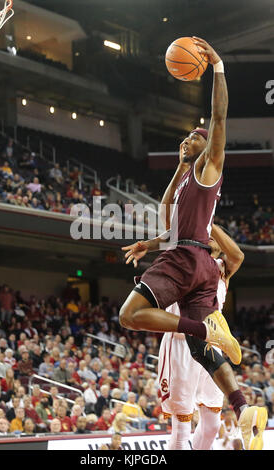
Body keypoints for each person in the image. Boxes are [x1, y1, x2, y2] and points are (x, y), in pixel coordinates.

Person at [119, 37, 267, 449]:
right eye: (185, 136)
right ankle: (243, 408)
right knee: (205, 351)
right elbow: (167, 211)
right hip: (196, 262)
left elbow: (218, 120)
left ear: (208, 148)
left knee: (129, 316)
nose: (189, 137)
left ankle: (203, 328)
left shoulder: (209, 168)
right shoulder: (188, 177)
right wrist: (149, 245)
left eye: (194, 136)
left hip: (188, 258)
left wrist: (217, 66)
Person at [159, 225, 243, 450]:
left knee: (212, 426)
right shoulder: (181, 261)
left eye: (216, 236)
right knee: (181, 430)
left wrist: (210, 224)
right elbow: (170, 234)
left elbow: (237, 255)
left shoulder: (222, 269)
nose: (212, 238)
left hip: (212, 345)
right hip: (181, 343)